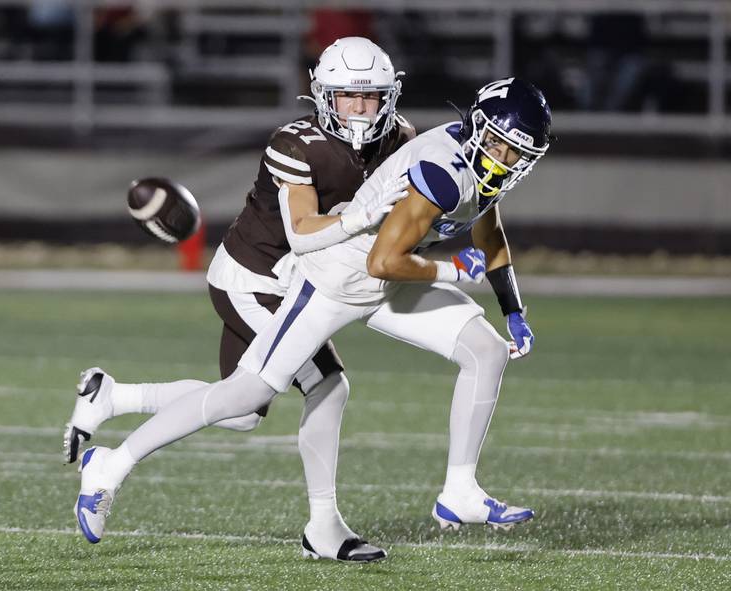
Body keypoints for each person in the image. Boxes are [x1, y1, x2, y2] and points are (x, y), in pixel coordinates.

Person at [72, 76, 551, 561]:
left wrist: (513, 309)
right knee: (246, 397)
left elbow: (489, 232)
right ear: (476, 127)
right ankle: (110, 465)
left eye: (515, 154)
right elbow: (381, 262)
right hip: (337, 277)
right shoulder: (441, 171)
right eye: (496, 144)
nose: (502, 159)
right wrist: (454, 270)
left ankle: (459, 492)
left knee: (486, 350)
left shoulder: (480, 167)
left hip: (385, 280)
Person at [64, 37, 415, 562]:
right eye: (347, 97)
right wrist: (366, 220)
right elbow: (301, 230)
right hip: (259, 280)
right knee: (328, 387)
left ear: (390, 96)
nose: (361, 109)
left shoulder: (401, 139)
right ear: (323, 96)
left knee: (241, 412)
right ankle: (321, 526)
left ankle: (114, 398)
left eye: (371, 97)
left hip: (296, 284)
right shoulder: (295, 144)